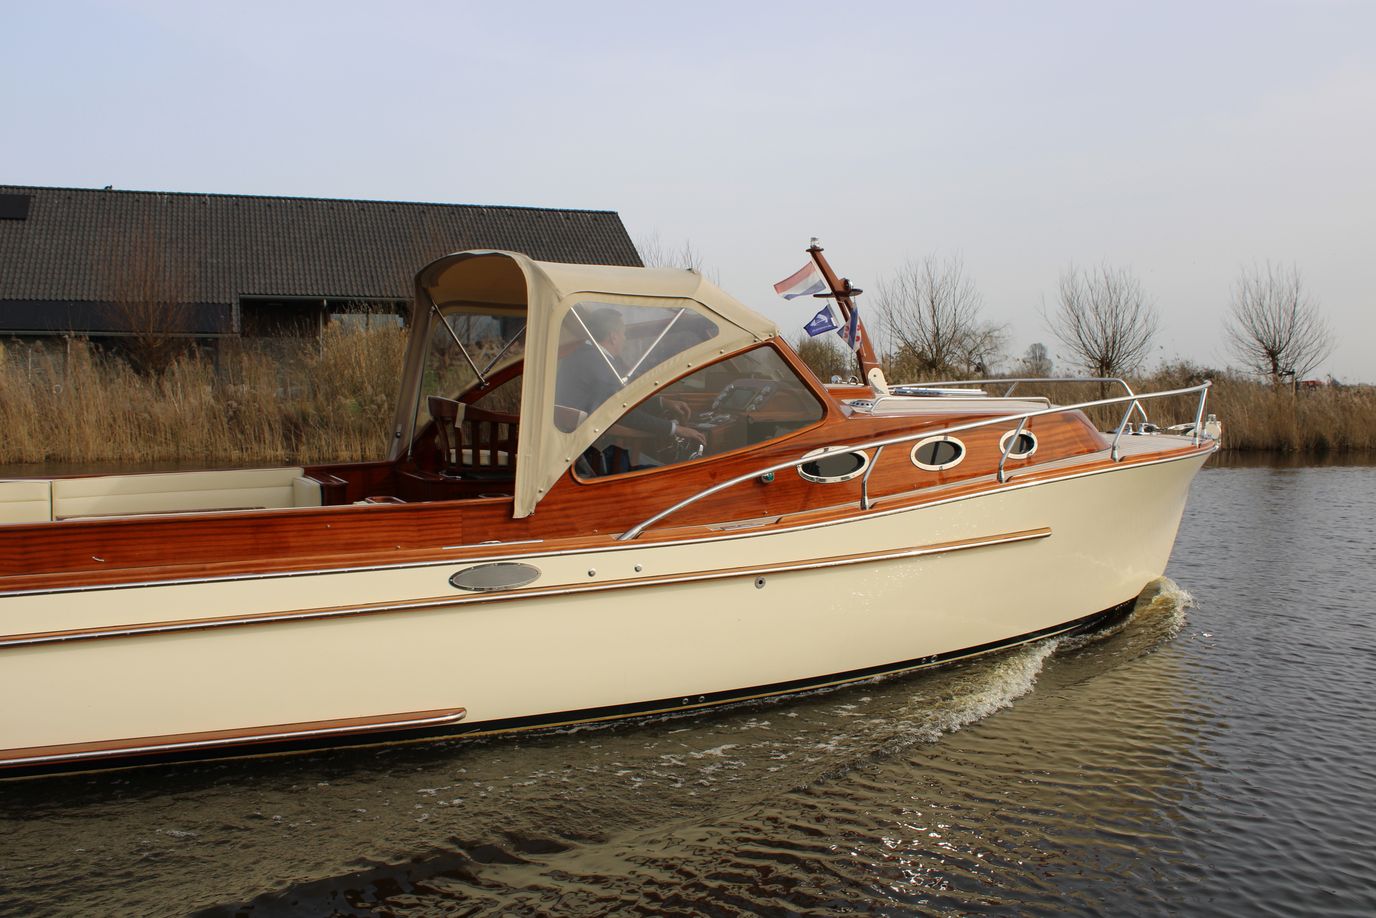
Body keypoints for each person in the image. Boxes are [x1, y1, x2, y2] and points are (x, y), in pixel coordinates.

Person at [555, 309, 705, 474]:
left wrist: (663, 403)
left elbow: (621, 397)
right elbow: (625, 413)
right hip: (595, 454)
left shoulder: (584, 356)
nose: (625, 339)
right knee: (673, 471)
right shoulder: (599, 365)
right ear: (613, 337)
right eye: (624, 334)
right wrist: (676, 429)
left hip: (578, 449)